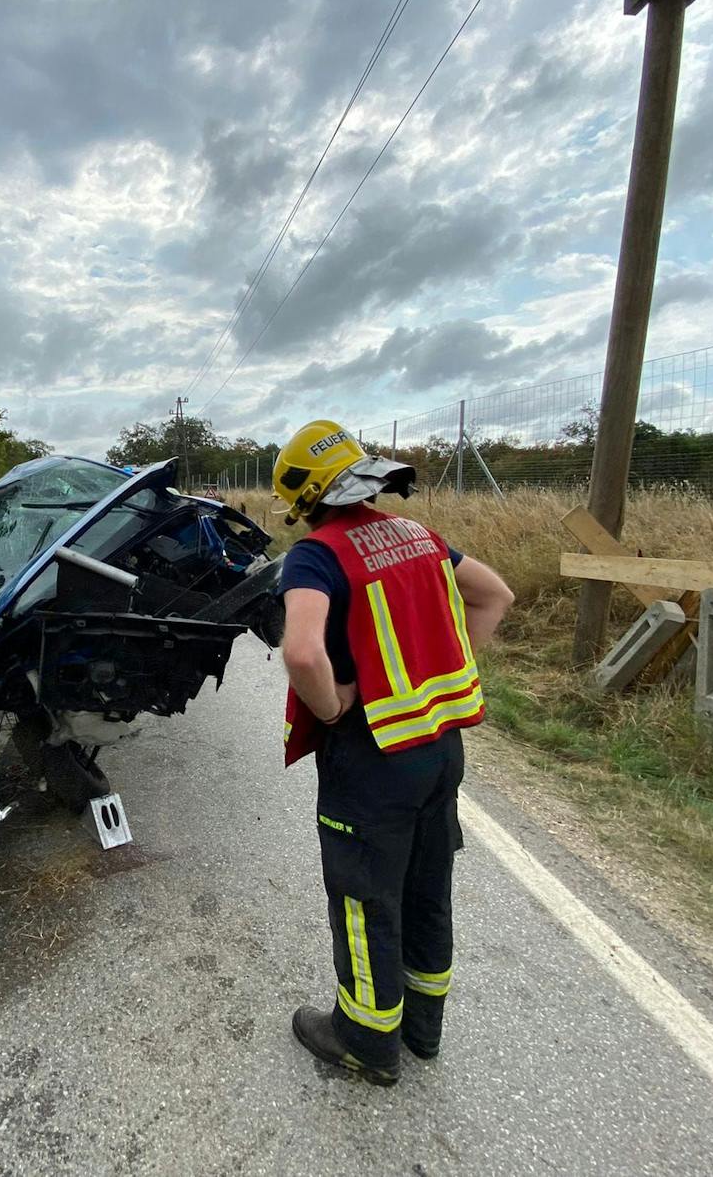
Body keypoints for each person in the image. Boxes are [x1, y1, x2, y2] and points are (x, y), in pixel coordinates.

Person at [273, 420, 513, 1087]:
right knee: (427, 888)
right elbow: (496, 597)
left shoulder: (315, 556)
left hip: (373, 760)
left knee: (364, 896)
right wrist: (441, 661)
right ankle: (423, 1030)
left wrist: (334, 707)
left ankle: (365, 1040)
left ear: (303, 498)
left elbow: (300, 651)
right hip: (441, 748)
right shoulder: (420, 537)